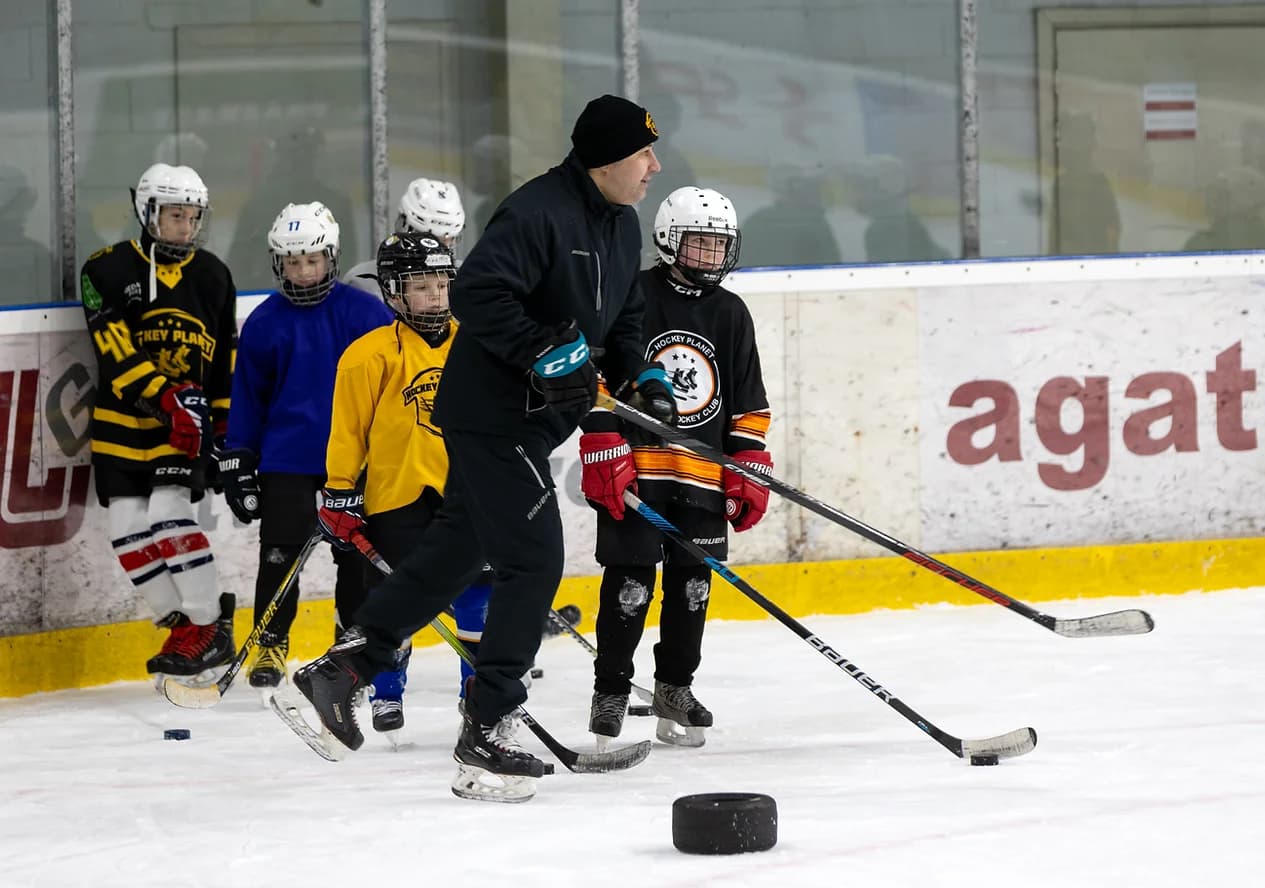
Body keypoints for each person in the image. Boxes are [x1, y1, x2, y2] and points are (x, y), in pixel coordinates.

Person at [293, 93, 672, 803]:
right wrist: (543, 354)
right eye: (643, 153)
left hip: (535, 421)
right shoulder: (535, 213)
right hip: (491, 415)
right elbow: (478, 295)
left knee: (457, 550)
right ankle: (490, 724)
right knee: (533, 559)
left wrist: (639, 375)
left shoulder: (621, 225)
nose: (653, 166)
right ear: (606, 159)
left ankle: (342, 669)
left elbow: (622, 317)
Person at [585, 186, 772, 750]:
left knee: (693, 588)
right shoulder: (631, 296)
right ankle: (611, 690)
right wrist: (601, 440)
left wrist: (748, 464)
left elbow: (748, 404)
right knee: (630, 586)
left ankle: (674, 689)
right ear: (669, 240)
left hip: (701, 478)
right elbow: (597, 376)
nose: (712, 257)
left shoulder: (731, 313)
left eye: (720, 246)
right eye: (700, 244)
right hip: (637, 472)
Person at [216, 202, 393, 695]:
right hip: (287, 458)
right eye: (292, 262)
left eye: (312, 260)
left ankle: (350, 643)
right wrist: (239, 458)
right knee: (279, 553)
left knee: (356, 558)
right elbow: (249, 399)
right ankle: (271, 639)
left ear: (331, 258)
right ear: (279, 263)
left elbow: (390, 387)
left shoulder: (365, 313)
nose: (302, 271)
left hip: (353, 460)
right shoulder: (264, 323)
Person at [323, 232, 492, 735]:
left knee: (477, 599)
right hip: (396, 498)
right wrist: (339, 488)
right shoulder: (368, 354)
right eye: (422, 286)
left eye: (442, 284)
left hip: (468, 495)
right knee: (395, 601)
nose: (436, 296)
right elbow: (348, 431)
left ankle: (476, 695)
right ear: (395, 292)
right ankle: (387, 692)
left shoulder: (477, 343)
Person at [79, 162, 237, 681]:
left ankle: (210, 625)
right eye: (174, 216)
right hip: (124, 422)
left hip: (183, 428)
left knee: (169, 519)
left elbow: (221, 364)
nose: (185, 227)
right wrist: (167, 400)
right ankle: (179, 626)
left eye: (192, 217)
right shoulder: (103, 270)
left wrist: (220, 428)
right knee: (126, 533)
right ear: (148, 213)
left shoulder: (213, 274)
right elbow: (114, 352)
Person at [343, 177, 466, 297]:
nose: (435, 252)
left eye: (444, 242)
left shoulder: (467, 278)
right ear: (402, 225)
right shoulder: (363, 282)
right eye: (428, 241)